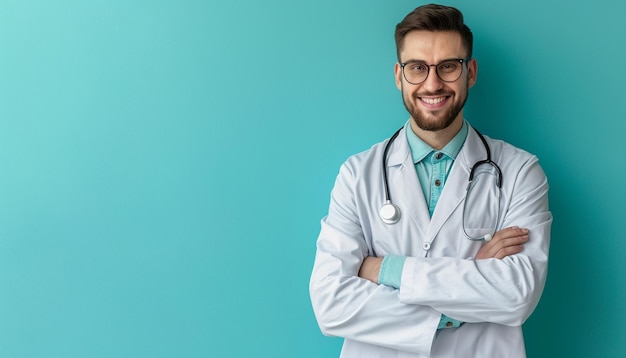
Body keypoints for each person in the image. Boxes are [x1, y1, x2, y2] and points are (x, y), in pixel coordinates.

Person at [309, 4, 552, 358]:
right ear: (398, 75)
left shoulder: (519, 171)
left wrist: (386, 269)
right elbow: (331, 305)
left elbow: (518, 295)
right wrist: (471, 281)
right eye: (417, 68)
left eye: (448, 66)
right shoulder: (357, 174)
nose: (433, 83)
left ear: (470, 72)